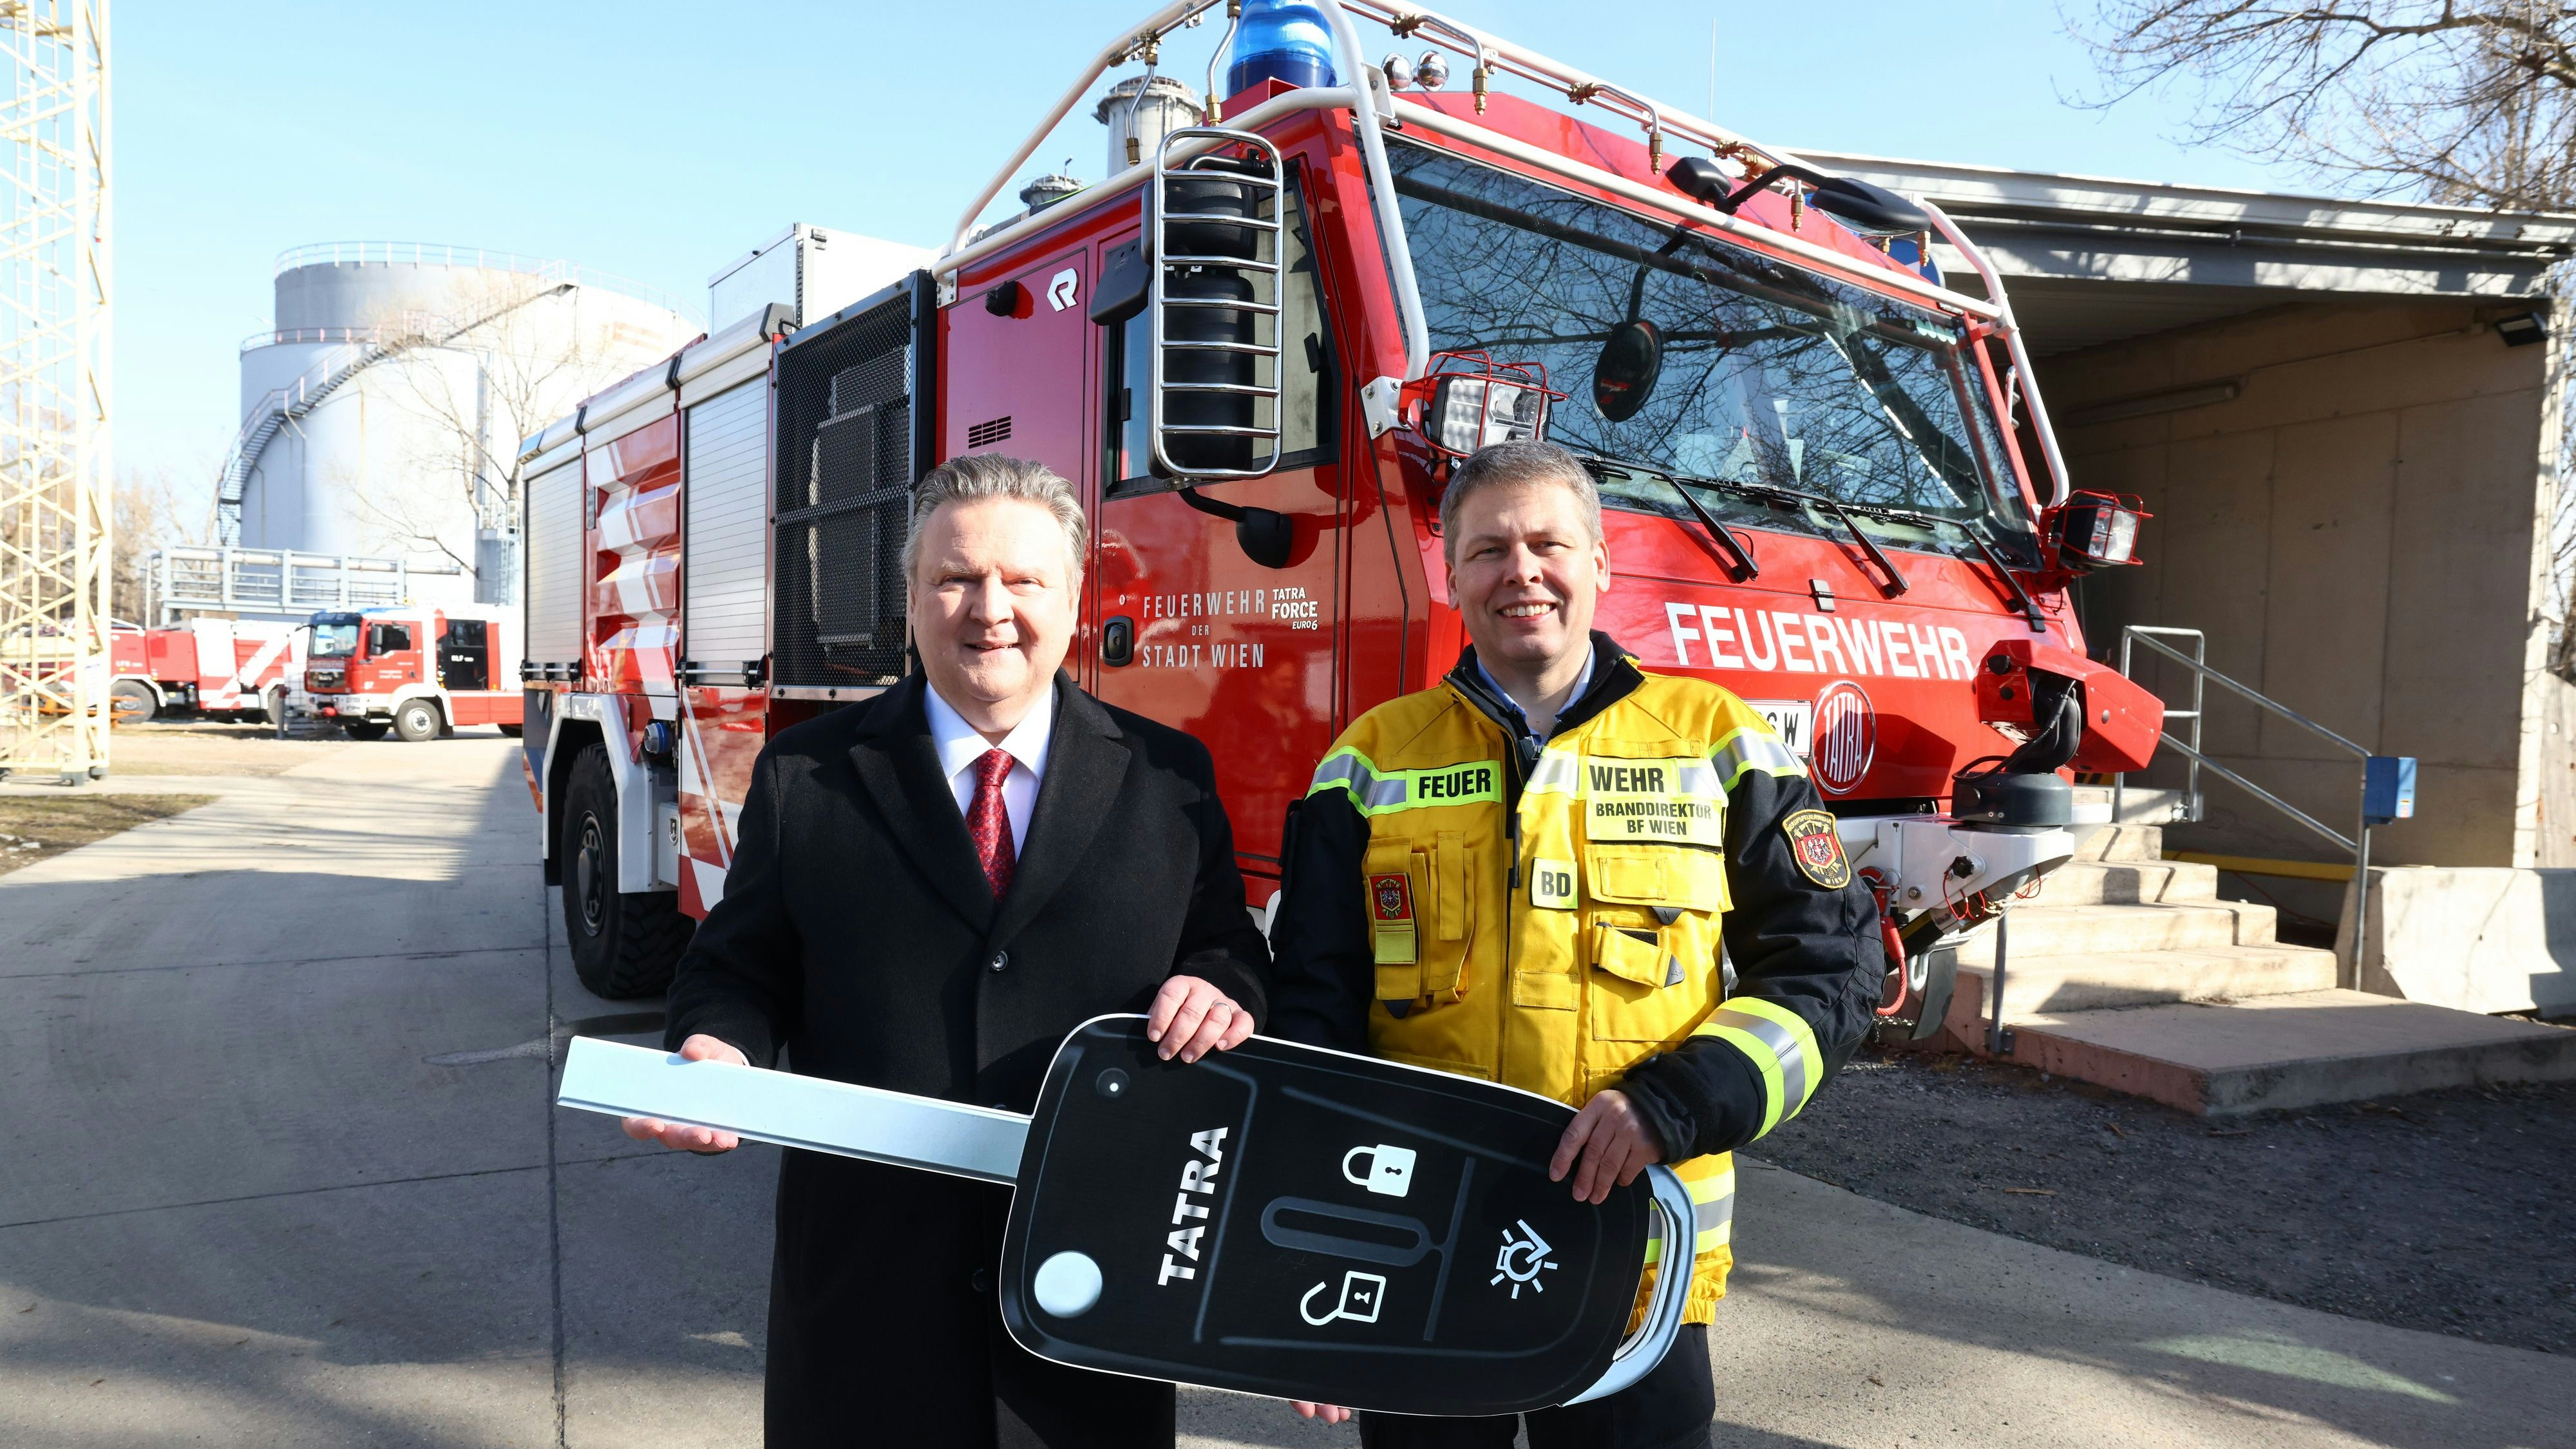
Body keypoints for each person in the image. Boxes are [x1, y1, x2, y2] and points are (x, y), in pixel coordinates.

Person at [623, 454, 1269, 1448]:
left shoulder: (1169, 777)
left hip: (1090, 1311)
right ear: (912, 597)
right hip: (867, 1314)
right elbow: (735, 970)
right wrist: (718, 1045)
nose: (990, 608)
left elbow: (1226, 946)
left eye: (1023, 580)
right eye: (956, 578)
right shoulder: (810, 777)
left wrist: (1222, 985)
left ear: (1074, 597)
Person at [1267, 439, 1882, 1447]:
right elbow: (1312, 1018)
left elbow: (1832, 967)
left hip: (1637, 1260)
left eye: (1550, 543)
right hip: (1421, 1246)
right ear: (1451, 571)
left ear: (1600, 561)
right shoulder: (1367, 761)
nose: (1522, 571)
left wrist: (1673, 1103)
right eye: (1489, 548)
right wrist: (1316, 1251)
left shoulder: (1719, 743)